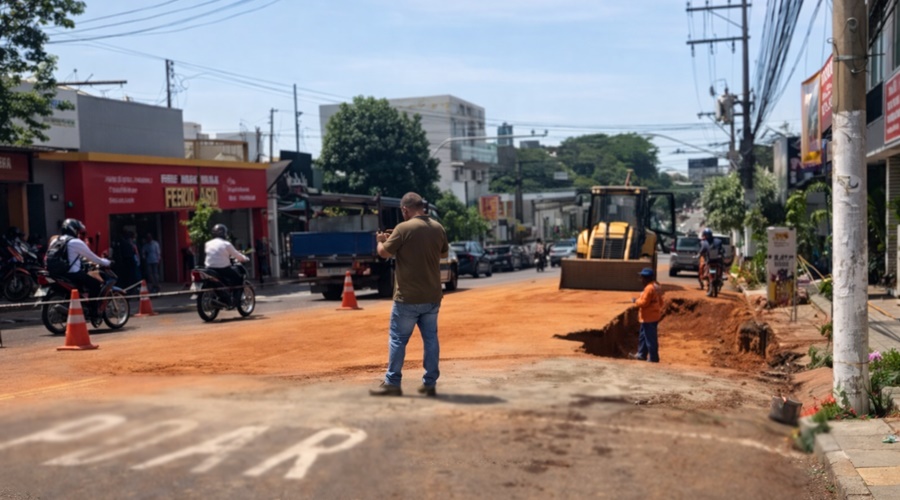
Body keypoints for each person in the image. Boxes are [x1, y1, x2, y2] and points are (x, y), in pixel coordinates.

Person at [369, 192, 449, 397]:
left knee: (398, 339)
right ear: (422, 207)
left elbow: (384, 253)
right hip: (432, 295)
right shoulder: (438, 228)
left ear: (405, 209)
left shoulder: (403, 228)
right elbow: (442, 253)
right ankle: (430, 384)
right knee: (430, 339)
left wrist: (380, 241)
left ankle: (392, 383)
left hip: (407, 297)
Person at [56, 219, 112, 319]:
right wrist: (107, 262)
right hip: (73, 273)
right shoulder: (75, 242)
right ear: (73, 229)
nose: (79, 233)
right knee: (95, 284)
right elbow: (92, 257)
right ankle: (94, 311)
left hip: (59, 273)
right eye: (78, 231)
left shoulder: (57, 240)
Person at [204, 223, 249, 305]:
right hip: (222, 269)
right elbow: (237, 255)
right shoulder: (226, 244)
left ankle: (224, 297)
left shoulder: (208, 244)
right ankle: (235, 301)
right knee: (238, 279)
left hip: (209, 269)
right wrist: (245, 258)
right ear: (224, 233)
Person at [632, 267, 664, 363]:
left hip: (648, 317)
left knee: (650, 338)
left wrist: (636, 301)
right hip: (650, 317)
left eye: (642, 278)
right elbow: (661, 302)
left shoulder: (649, 288)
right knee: (643, 336)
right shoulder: (656, 286)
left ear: (646, 278)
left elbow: (644, 303)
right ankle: (641, 354)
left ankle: (653, 358)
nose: (641, 280)